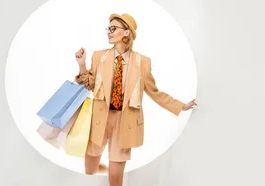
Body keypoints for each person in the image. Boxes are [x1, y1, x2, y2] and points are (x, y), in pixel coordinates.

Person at [74, 13, 197, 186]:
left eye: (113, 28)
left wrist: (181, 106)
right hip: (99, 119)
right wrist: (81, 65)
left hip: (125, 122)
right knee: (90, 170)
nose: (108, 32)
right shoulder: (99, 56)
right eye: (108, 28)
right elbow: (90, 84)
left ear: (126, 33)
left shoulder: (142, 62)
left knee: (116, 177)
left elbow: (155, 92)